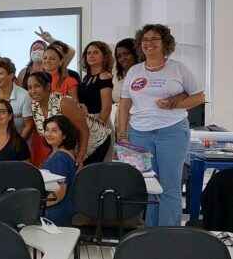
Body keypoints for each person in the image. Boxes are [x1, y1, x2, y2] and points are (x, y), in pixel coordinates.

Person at [117, 24, 204, 227]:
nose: (149, 43)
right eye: (145, 40)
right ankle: (151, 233)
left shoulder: (178, 68)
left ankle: (169, 234)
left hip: (172, 131)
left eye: (154, 39)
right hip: (139, 133)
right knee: (149, 186)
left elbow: (199, 97)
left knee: (170, 186)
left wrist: (176, 103)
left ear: (165, 43)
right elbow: (124, 104)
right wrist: (122, 132)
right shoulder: (134, 71)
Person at [28, 72, 111, 167]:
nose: (32, 91)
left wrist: (80, 157)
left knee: (87, 176)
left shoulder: (64, 103)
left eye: (37, 86)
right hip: (72, 146)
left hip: (96, 141)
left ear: (47, 86)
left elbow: (83, 130)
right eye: (29, 87)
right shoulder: (34, 106)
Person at [41, 115, 79, 227]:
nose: (48, 134)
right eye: (47, 130)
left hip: (54, 213)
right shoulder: (61, 153)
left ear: (64, 135)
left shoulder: (60, 157)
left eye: (54, 131)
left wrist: (36, 205)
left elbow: (58, 193)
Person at [0, 58, 34, 138]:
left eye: (0, 74)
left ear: (11, 75)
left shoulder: (25, 95)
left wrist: (18, 144)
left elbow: (28, 125)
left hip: (20, 141)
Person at [78, 41, 114, 124]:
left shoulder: (104, 76)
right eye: (88, 53)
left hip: (99, 122)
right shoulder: (86, 77)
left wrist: (98, 128)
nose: (91, 55)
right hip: (85, 122)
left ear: (104, 56)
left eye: (96, 52)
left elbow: (106, 108)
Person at [112, 38, 144, 123]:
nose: (123, 58)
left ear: (136, 53)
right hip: (120, 120)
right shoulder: (118, 75)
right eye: (119, 56)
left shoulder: (145, 73)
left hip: (140, 121)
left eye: (126, 54)